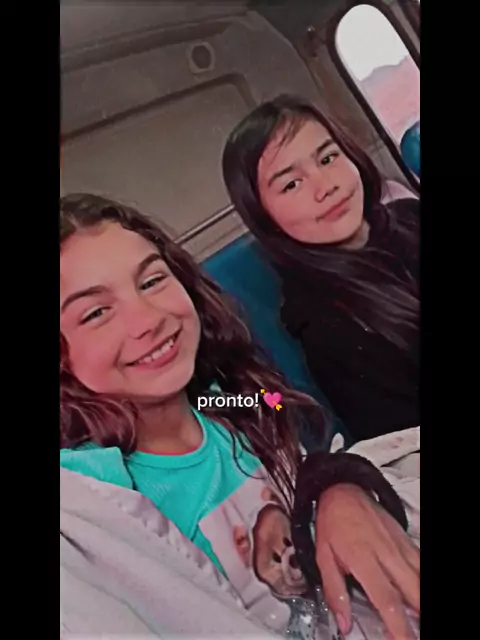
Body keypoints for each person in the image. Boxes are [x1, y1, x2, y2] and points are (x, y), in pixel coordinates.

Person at [60, 193, 419, 639]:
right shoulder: (101, 492)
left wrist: (333, 483)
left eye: (151, 281)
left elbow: (291, 428)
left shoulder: (223, 403)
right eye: (96, 313)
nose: (147, 320)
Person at [222, 95, 419, 442]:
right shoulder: (329, 327)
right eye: (291, 184)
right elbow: (405, 446)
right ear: (265, 216)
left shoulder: (409, 216)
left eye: (328, 158)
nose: (326, 186)